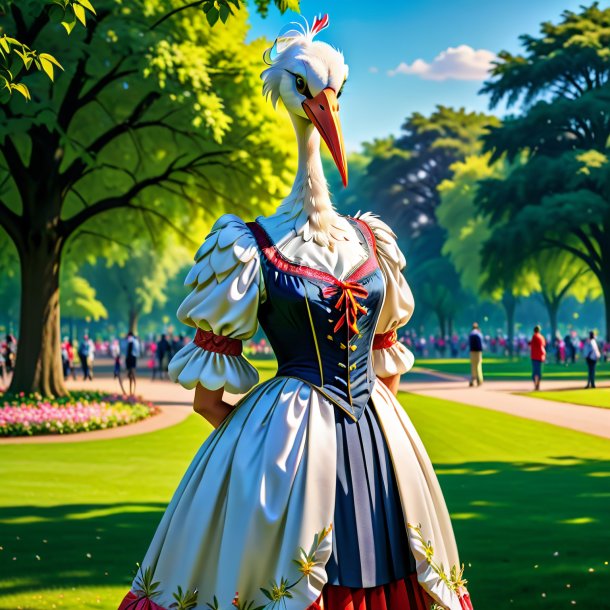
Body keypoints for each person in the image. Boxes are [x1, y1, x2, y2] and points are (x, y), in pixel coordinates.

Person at [118, 17, 473, 610]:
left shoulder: (367, 240)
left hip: (297, 435)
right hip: (378, 430)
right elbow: (387, 371)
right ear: (293, 94)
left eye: (332, 95)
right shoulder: (248, 246)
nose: (323, 108)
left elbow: (210, 402)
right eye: (312, 93)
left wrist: (261, 453)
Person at [529, 325, 546, 391]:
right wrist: (544, 355)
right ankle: (537, 384)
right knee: (539, 372)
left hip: (535, 356)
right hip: (540, 357)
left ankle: (536, 385)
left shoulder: (535, 336)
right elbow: (543, 346)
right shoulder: (541, 337)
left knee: (535, 372)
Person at [468, 322, 484, 387]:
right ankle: (479, 379)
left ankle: (473, 378)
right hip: (478, 351)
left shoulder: (471, 333)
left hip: (472, 351)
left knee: (473, 366)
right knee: (478, 365)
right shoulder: (479, 333)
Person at [125, 332, 140, 396]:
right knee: (132, 375)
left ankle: (131, 391)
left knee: (130, 375)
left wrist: (126, 360)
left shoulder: (130, 340)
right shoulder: (136, 341)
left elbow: (128, 351)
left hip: (130, 359)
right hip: (134, 359)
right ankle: (132, 391)